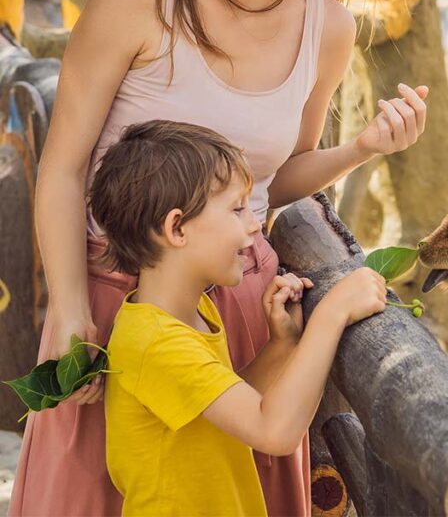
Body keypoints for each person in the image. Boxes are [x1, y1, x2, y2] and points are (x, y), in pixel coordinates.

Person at [10, 0, 425, 517]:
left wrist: (362, 146)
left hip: (242, 311)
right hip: (121, 302)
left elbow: (274, 183)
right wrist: (71, 306)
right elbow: (65, 163)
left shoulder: (327, 29)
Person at [90, 120, 386, 516]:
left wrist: (281, 347)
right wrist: (331, 315)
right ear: (176, 228)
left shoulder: (188, 313)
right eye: (236, 208)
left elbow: (224, 404)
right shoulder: (154, 342)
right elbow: (274, 432)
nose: (253, 223)